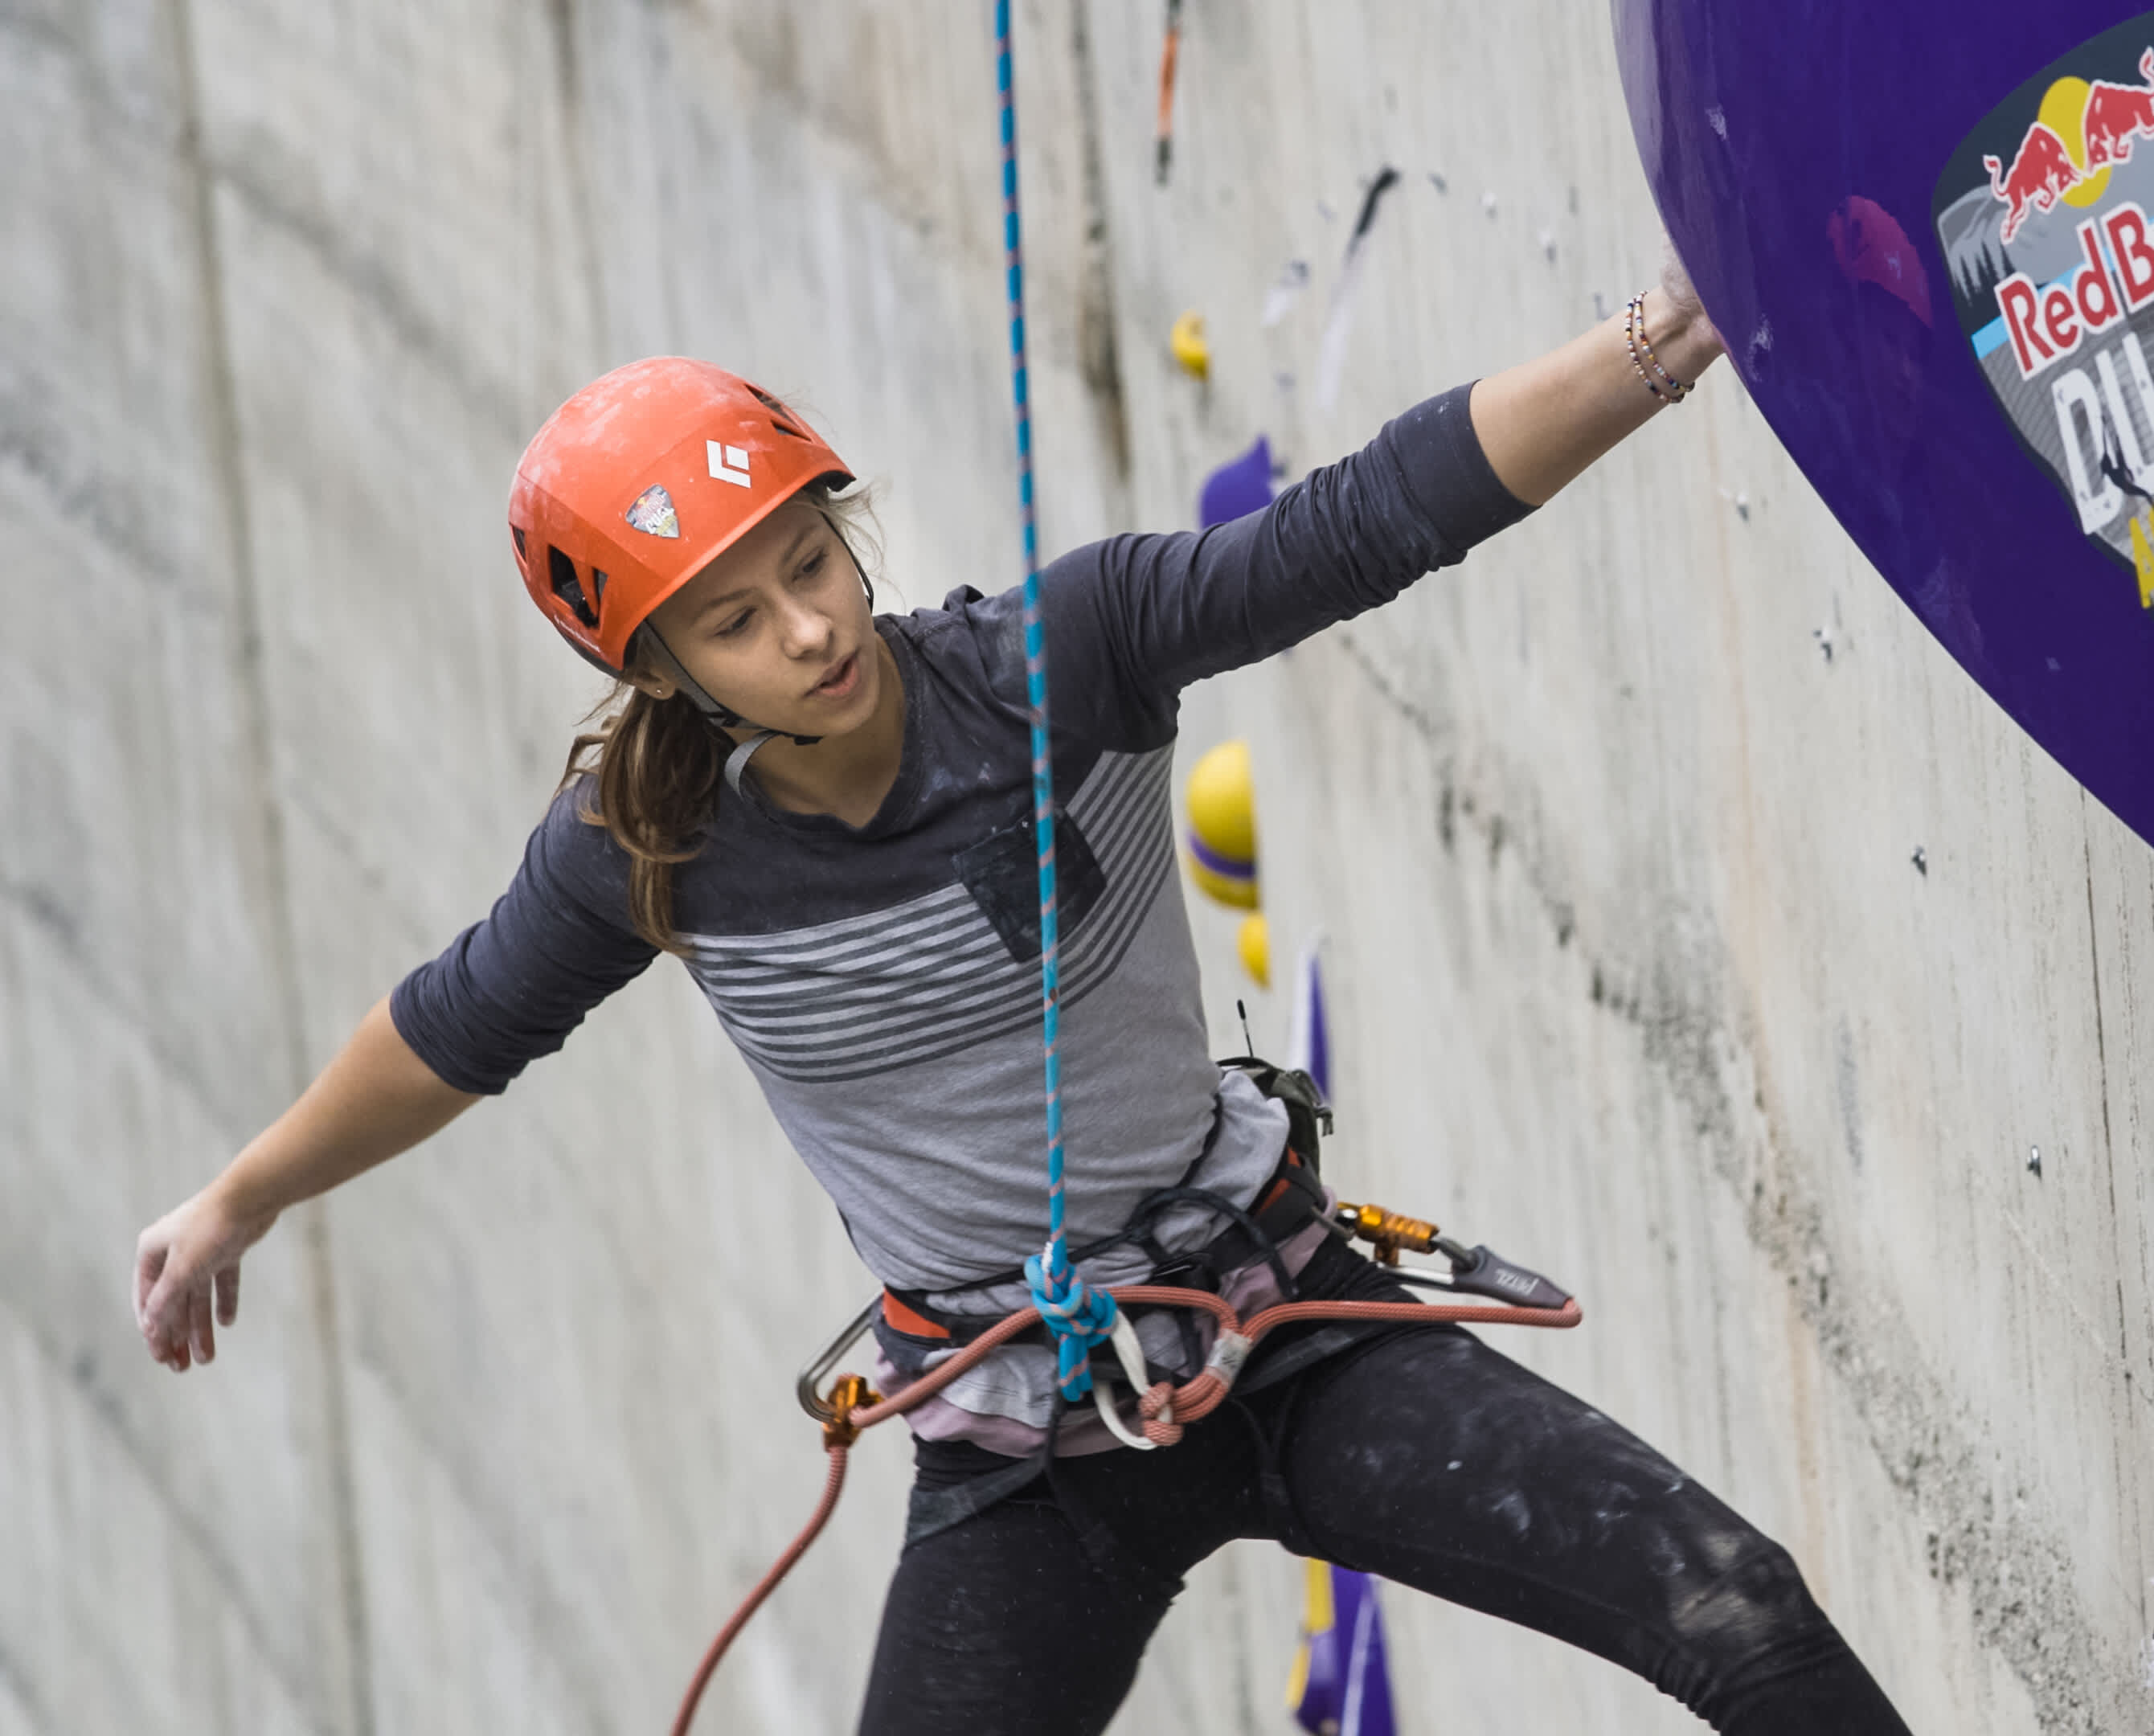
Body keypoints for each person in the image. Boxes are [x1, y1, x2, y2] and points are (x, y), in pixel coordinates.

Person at [127, 266, 1912, 1735]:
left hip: (1286, 1327)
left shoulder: (1068, 656)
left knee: (1740, 1614)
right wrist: (238, 1198)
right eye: (737, 624)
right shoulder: (652, 850)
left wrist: (1663, 340)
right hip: (1030, 1444)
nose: (810, 630)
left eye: (811, 563)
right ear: (658, 669)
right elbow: (452, 1032)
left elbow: (1355, 528)